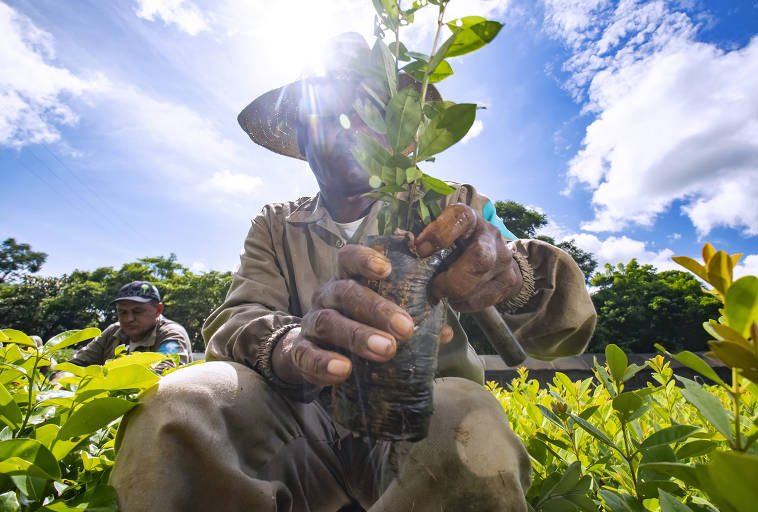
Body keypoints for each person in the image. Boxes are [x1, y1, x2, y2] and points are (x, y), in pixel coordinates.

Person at [109, 33, 596, 512]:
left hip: (420, 423)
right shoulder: (275, 224)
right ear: (302, 135)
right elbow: (236, 318)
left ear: (401, 133)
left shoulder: (451, 205)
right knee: (182, 404)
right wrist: (291, 345)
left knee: (468, 424)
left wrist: (514, 278)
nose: (347, 127)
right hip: (296, 425)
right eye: (325, 114)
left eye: (369, 111)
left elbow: (562, 335)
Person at [67, 281, 191, 367]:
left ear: (158, 310)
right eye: (122, 312)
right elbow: (75, 364)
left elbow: (166, 370)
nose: (128, 319)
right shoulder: (113, 332)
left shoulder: (171, 333)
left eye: (137, 311)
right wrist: (61, 379)